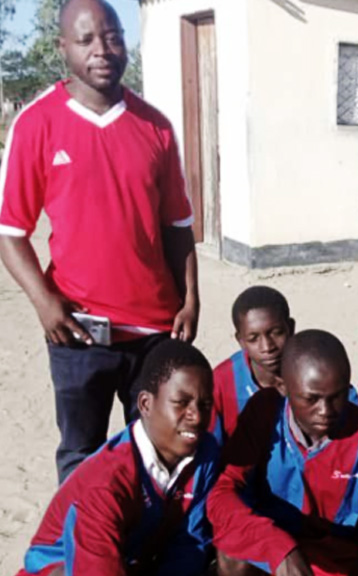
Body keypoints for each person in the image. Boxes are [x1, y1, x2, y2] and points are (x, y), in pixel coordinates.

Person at [0, 0, 199, 482]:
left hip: (154, 330)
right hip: (77, 331)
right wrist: (46, 303)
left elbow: (177, 226)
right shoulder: (37, 123)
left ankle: (150, 553)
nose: (102, 50)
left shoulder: (155, 126)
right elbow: (10, 234)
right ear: (62, 46)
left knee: (159, 454)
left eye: (111, 36)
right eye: (86, 39)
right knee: (81, 457)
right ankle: (83, 556)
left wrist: (191, 299)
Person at [208, 330, 358, 576]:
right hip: (276, 552)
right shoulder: (263, 414)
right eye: (311, 399)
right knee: (233, 554)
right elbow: (222, 493)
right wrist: (277, 546)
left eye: (337, 396)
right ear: (283, 387)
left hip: (335, 561)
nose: (325, 410)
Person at [16, 340, 219, 576]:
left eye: (205, 404)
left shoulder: (205, 451)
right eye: (181, 403)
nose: (196, 416)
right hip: (66, 566)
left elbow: (190, 543)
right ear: (145, 404)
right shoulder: (106, 481)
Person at [209, 286, 294, 442]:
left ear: (291, 328)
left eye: (276, 332)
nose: (267, 347)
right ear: (240, 341)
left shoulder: (310, 371)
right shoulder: (222, 382)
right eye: (253, 338)